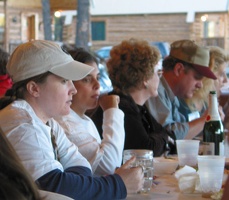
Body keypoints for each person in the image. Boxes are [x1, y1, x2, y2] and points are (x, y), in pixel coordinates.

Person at [0, 40, 144, 200]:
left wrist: (74, 185)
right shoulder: (23, 124)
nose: (73, 89)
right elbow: (55, 186)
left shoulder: (48, 122)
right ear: (34, 88)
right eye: (64, 81)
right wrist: (118, 185)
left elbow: (80, 166)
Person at [91, 38, 176, 157]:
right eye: (158, 73)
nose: (159, 79)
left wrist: (162, 138)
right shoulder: (121, 106)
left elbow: (168, 134)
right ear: (145, 78)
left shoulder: (137, 106)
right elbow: (145, 149)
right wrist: (164, 139)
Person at [56, 48, 125, 175]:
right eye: (87, 79)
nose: (97, 85)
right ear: (68, 83)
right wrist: (112, 111)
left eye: (97, 77)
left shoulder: (85, 120)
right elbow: (109, 166)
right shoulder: (66, 124)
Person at [145, 39, 217, 140]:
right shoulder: (156, 91)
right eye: (197, 77)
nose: (200, 85)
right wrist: (207, 118)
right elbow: (169, 136)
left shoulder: (170, 95)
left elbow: (182, 127)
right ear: (178, 69)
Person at [178, 45, 228, 123]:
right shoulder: (179, 102)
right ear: (208, 76)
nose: (226, 80)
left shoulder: (207, 103)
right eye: (221, 74)